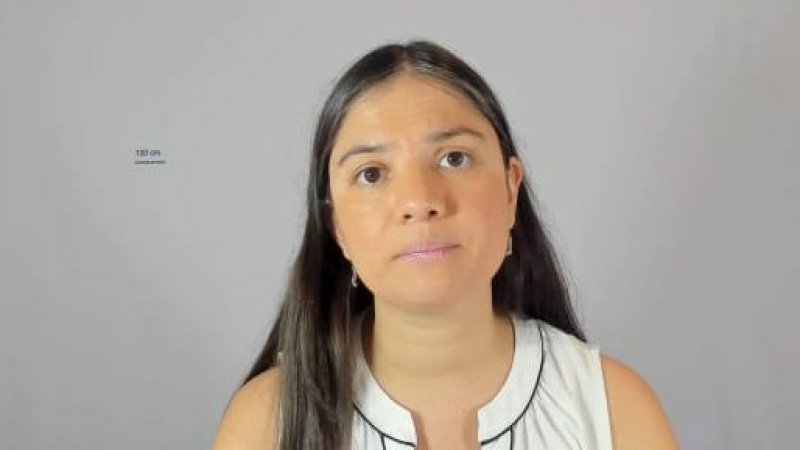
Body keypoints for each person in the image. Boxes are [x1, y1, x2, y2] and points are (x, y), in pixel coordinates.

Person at [213, 40, 679, 450]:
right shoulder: (266, 424)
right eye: (371, 173)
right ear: (336, 225)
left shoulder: (614, 410)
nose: (419, 200)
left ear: (511, 189)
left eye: (454, 158)